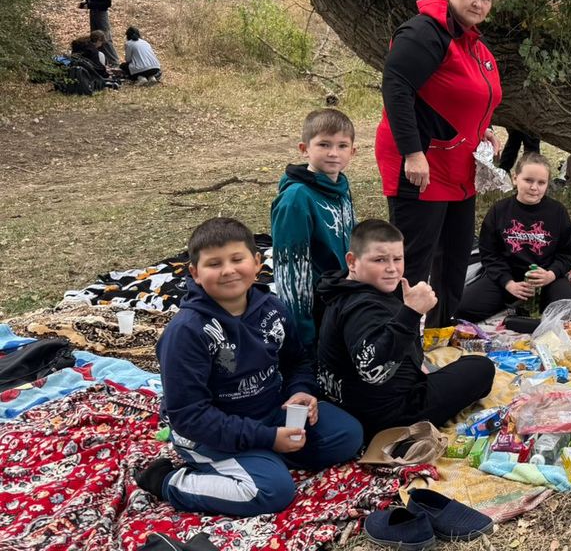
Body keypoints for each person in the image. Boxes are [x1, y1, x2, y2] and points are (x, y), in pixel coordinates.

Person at [135, 217, 363, 516]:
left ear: (257, 263)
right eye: (214, 263)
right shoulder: (187, 332)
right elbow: (189, 416)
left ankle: (265, 459)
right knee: (272, 491)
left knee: (348, 435)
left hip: (269, 413)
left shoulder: (272, 308)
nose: (228, 270)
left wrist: (300, 391)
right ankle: (168, 481)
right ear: (195, 273)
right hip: (211, 433)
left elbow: (297, 361)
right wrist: (269, 439)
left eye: (237, 259)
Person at [376, 0, 504, 325]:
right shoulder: (424, 32)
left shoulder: (471, 42)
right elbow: (396, 87)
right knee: (413, 261)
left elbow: (463, 97)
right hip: (422, 167)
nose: (478, 3)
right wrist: (412, 153)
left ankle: (440, 334)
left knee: (454, 257)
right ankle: (399, 340)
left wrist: (482, 129)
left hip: (459, 169)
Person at [315, 219, 496, 438]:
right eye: (380, 260)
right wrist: (412, 312)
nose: (392, 269)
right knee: (481, 367)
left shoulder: (341, 288)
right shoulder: (363, 307)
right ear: (352, 261)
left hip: (350, 400)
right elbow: (372, 371)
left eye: (397, 258)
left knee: (444, 366)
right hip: (388, 416)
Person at [454, 153, 571, 324]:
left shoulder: (557, 212)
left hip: (545, 279)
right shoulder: (499, 210)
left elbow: (567, 254)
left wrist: (551, 274)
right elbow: (489, 254)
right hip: (507, 279)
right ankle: (513, 302)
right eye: (528, 180)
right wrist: (508, 283)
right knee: (462, 308)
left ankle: (534, 305)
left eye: (541, 183)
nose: (534, 187)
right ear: (515, 178)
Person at [270, 109, 358, 348]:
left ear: (353, 151)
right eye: (324, 144)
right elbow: (290, 273)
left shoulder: (341, 189)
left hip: (342, 301)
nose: (333, 153)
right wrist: (303, 336)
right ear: (304, 149)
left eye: (342, 146)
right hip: (316, 312)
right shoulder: (295, 200)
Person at [78, 0, 119, 67]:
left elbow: (107, 4)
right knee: (95, 37)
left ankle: (114, 61)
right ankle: (100, 60)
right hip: (93, 14)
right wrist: (83, 5)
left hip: (101, 15)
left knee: (105, 37)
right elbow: (88, 1)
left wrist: (91, 5)